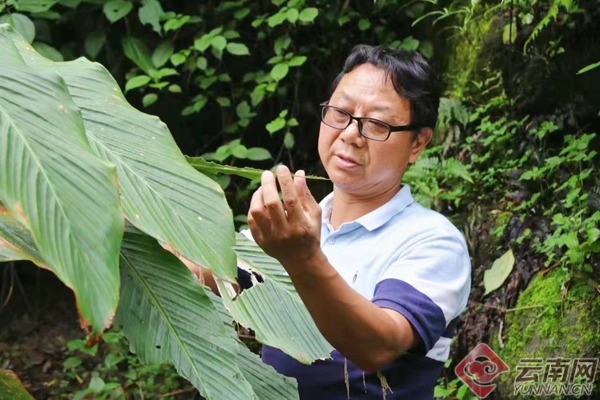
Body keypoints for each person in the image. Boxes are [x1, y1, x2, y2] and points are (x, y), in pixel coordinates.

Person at [178, 44, 471, 399]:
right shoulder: (292, 227)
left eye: (377, 123)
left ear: (418, 142)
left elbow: (376, 346)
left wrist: (302, 259)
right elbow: (203, 275)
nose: (350, 133)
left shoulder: (433, 241)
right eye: (340, 113)